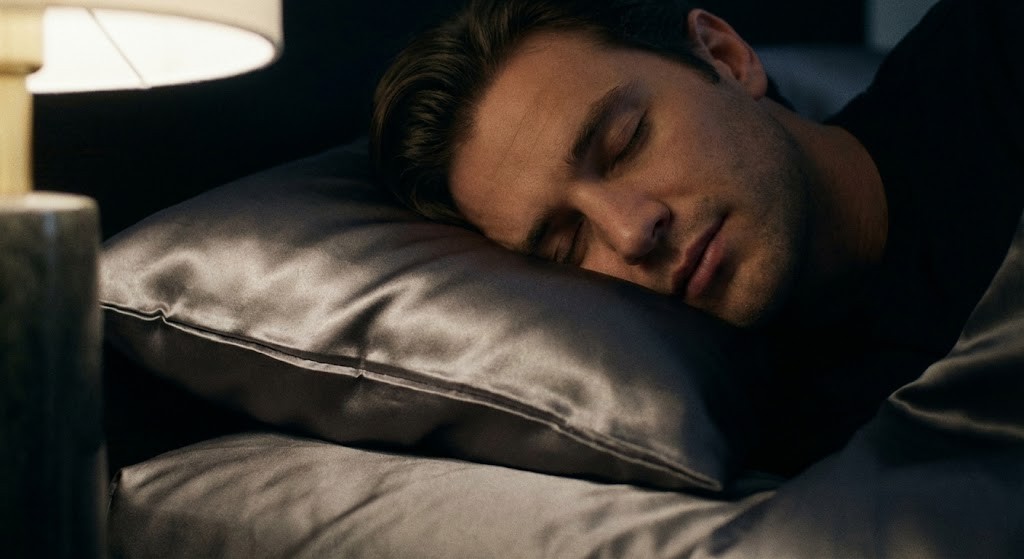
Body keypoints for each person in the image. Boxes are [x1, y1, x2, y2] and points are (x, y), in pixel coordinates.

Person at [370, 0, 1024, 475]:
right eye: (566, 245)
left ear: (726, 58)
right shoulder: (761, 447)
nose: (631, 231)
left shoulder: (999, 49)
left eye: (626, 142)